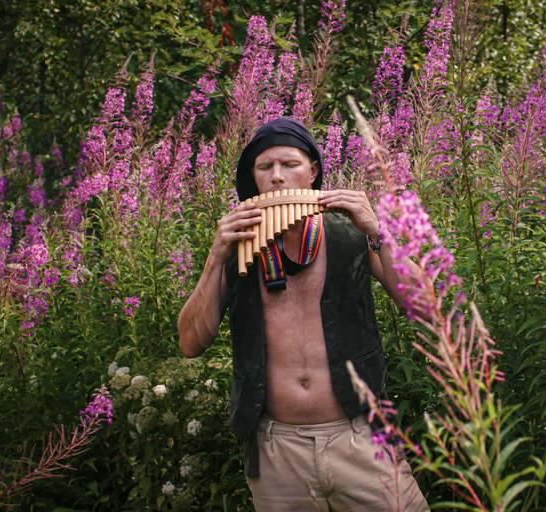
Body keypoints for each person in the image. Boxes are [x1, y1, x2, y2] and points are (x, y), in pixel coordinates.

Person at [177, 117, 429, 511]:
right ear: (253, 178)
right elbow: (191, 343)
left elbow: (426, 309)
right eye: (265, 167)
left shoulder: (351, 235)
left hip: (360, 437)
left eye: (289, 164)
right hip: (277, 450)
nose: (277, 178)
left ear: (313, 171)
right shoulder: (239, 249)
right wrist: (214, 259)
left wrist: (378, 232)